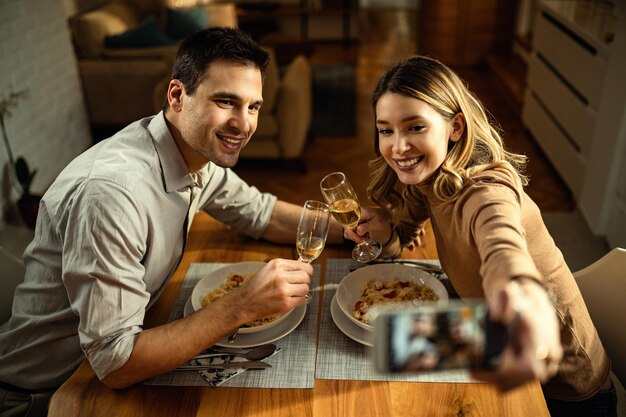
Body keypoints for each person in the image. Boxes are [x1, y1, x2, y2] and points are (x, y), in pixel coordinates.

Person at [0, 27, 342, 415]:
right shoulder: (113, 195)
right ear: (178, 96)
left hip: (110, 359)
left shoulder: (191, 149)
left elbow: (260, 213)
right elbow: (117, 362)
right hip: (46, 395)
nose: (244, 124)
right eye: (226, 101)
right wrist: (241, 305)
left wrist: (349, 226)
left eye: (254, 106)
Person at [346, 55, 616, 416]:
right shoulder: (426, 178)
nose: (398, 147)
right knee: (370, 346)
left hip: (565, 389)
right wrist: (384, 233)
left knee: (382, 348)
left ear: (455, 127)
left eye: (415, 127)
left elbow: (503, 247)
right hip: (488, 331)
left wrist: (518, 290)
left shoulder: (487, 189)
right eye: (386, 130)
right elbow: (400, 241)